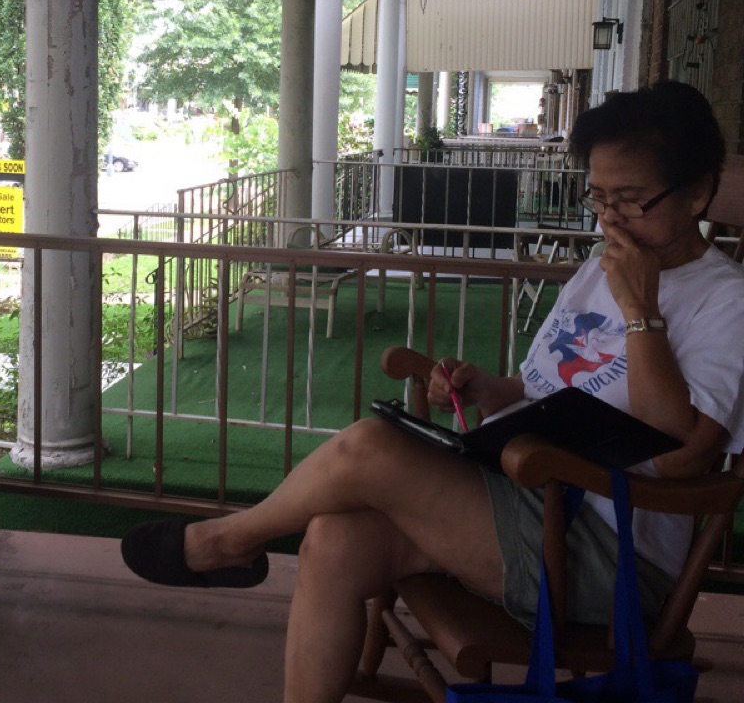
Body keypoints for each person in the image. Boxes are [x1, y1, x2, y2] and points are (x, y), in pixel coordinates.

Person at [121, 81, 744, 703]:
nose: (611, 219)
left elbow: (681, 456)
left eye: (633, 201)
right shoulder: (600, 266)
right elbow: (544, 389)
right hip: (524, 497)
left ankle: (228, 541)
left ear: (696, 191)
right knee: (333, 541)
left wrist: (641, 309)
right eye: (600, 198)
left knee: (370, 446)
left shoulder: (726, 301)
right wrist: (487, 388)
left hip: (606, 552)